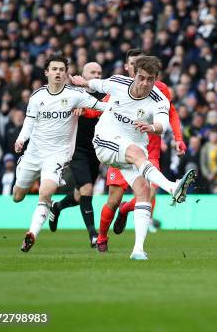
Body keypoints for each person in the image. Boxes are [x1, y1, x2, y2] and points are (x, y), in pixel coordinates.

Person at [69, 55, 194, 260]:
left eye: (150, 79)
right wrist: (80, 82)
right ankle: (172, 187)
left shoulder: (159, 98)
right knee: (123, 180)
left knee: (143, 191)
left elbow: (163, 124)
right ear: (134, 74)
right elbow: (94, 84)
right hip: (105, 141)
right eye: (142, 78)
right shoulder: (118, 82)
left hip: (133, 150)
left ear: (156, 79)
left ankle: (138, 250)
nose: (145, 83)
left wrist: (152, 127)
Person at [13, 54, 108, 253]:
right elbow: (29, 123)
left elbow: (103, 107)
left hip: (57, 156)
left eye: (61, 70)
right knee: (17, 196)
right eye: (54, 69)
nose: (58, 72)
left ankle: (32, 234)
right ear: (47, 72)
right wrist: (21, 139)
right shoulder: (38, 96)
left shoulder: (76, 96)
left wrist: (125, 107)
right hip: (33, 154)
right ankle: (23, 166)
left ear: (66, 74)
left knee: (45, 193)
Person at [107, 49, 189, 247]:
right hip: (120, 150)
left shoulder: (159, 89)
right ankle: (101, 236)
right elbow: (100, 108)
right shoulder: (118, 87)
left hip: (149, 152)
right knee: (114, 198)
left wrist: (178, 138)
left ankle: (127, 210)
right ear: (129, 69)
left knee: (150, 193)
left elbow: (171, 114)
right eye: (133, 65)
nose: (136, 68)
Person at [46, 62, 106, 247]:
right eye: (92, 72)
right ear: (82, 75)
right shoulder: (72, 95)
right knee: (87, 189)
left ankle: (57, 207)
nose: (96, 75)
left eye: (99, 72)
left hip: (96, 151)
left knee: (81, 195)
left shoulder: (104, 96)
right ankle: (93, 235)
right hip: (76, 150)